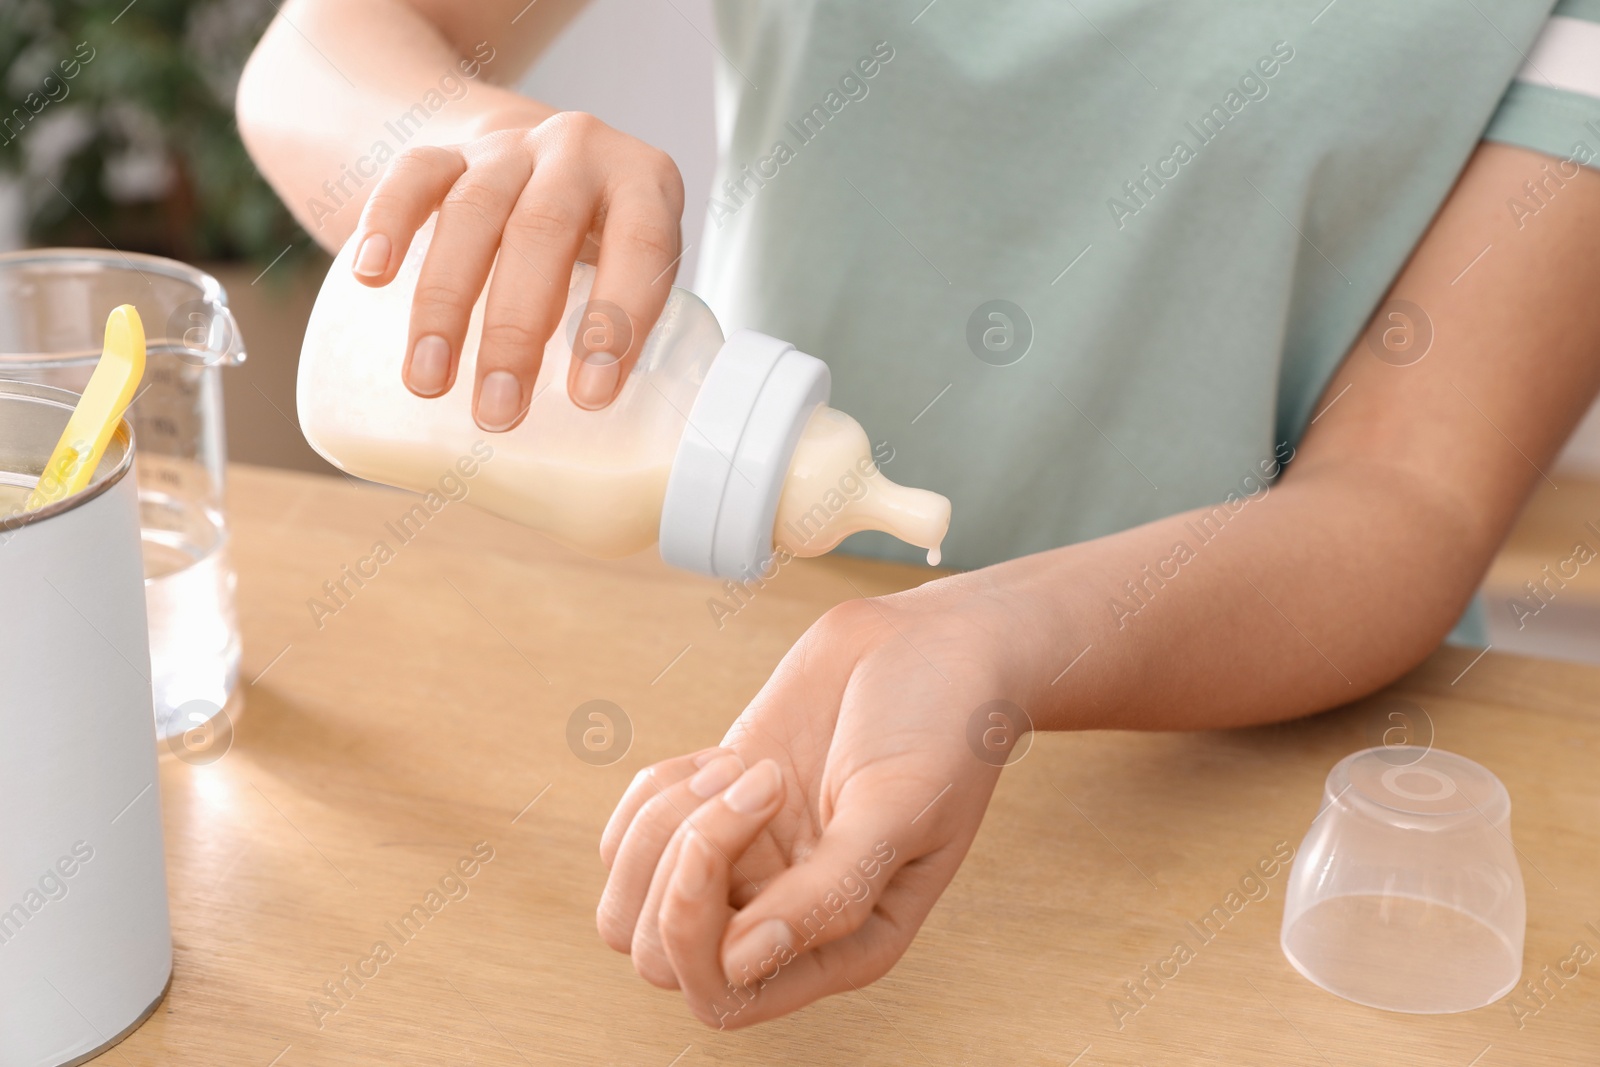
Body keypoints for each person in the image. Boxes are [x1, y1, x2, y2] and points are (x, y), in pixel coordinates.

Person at [239, 0, 1600, 1028]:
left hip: (1262, 774)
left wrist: (991, 639)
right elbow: (323, 46)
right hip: (731, 660)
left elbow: (1408, 495)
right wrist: (473, 145)